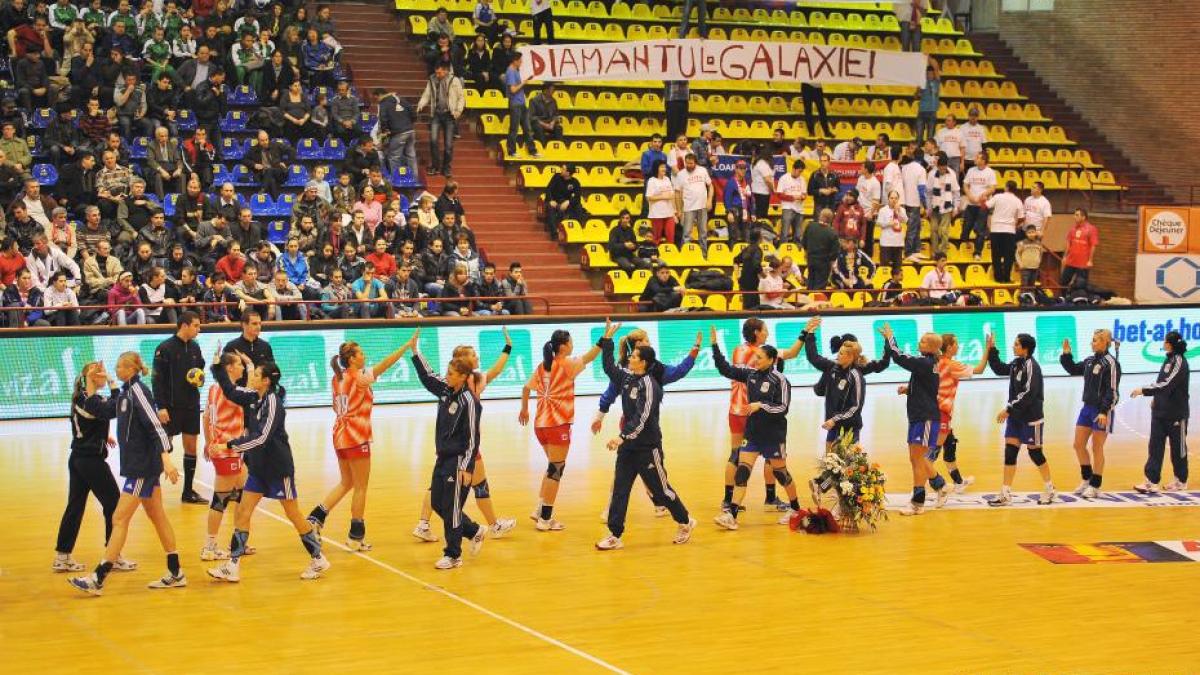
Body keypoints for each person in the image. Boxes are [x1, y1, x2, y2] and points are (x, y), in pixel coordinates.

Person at [69, 352, 184, 595]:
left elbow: (155, 426)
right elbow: (99, 409)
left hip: (142, 467)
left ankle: (98, 578)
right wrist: (92, 381)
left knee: (119, 519)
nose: (116, 370)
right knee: (157, 516)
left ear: (130, 368)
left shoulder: (139, 391)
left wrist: (166, 458)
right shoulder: (124, 394)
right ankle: (175, 572)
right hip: (139, 466)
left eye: (120, 366)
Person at [207, 361, 331, 583]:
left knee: (293, 515)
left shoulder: (273, 403)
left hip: (278, 468)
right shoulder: (255, 396)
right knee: (244, 512)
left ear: (266, 381)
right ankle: (232, 566)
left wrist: (228, 445)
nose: (250, 376)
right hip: (259, 468)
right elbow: (231, 391)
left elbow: (261, 438)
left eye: (255, 374)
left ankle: (318, 557)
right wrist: (218, 368)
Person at [596, 319, 696, 550]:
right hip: (629, 447)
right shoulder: (628, 377)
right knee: (621, 489)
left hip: (647, 447)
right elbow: (609, 368)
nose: (629, 358)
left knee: (661, 491)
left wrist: (622, 436)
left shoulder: (650, 385)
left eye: (634, 357)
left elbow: (642, 417)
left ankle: (684, 521)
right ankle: (614, 534)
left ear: (643, 363)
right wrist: (607, 340)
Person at [306, 338, 414, 551]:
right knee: (360, 486)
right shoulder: (359, 377)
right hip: (356, 436)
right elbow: (385, 364)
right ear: (352, 359)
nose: (364, 356)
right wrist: (406, 346)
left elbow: (334, 406)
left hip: (339, 434)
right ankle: (356, 536)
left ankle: (316, 517)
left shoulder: (337, 378)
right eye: (361, 353)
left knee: (347, 482)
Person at [413, 336, 515, 542]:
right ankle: (489, 527)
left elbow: (428, 376)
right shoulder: (472, 382)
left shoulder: (449, 384)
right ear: (466, 363)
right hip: (465, 446)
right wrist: (508, 348)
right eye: (473, 354)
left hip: (447, 444)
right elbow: (496, 371)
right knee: (478, 486)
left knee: (439, 487)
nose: (477, 357)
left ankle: (423, 523)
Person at [710, 326, 803, 529]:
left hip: (773, 433)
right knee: (742, 471)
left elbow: (783, 408)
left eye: (760, 357)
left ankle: (796, 508)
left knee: (781, 473)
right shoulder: (750, 375)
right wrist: (715, 346)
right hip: (752, 432)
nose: (755, 360)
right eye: (756, 357)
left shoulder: (781, 380)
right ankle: (732, 515)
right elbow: (726, 369)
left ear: (771, 360)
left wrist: (761, 406)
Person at [411, 333, 489, 569]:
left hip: (458, 461)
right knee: (438, 504)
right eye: (447, 373)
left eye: (451, 375)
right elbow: (428, 376)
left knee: (453, 508)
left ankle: (453, 554)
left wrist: (467, 467)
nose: (446, 377)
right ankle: (475, 530)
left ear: (463, 377)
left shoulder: (470, 401)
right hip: (442, 458)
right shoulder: (446, 391)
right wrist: (416, 352)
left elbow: (473, 438)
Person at [519, 328, 603, 531]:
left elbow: (525, 388)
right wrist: (604, 339)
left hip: (541, 426)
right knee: (556, 470)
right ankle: (546, 519)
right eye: (571, 340)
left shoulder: (542, 366)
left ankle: (539, 509)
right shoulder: (566, 364)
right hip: (557, 426)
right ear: (563, 346)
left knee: (551, 468)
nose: (573, 343)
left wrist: (524, 410)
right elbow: (590, 357)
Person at [53, 362, 131, 574]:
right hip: (90, 461)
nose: (105, 374)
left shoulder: (91, 398)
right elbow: (113, 409)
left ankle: (62, 556)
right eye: (100, 372)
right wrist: (115, 384)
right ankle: (112, 557)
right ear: (91, 377)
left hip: (81, 458)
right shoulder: (85, 398)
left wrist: (103, 435)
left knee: (75, 507)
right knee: (114, 504)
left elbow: (99, 413)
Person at [880, 323, 953, 516]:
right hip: (919, 416)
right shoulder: (928, 363)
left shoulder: (925, 362)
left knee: (918, 459)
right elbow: (927, 387)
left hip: (925, 417)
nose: (919, 342)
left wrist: (890, 337)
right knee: (915, 458)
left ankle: (918, 502)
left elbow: (899, 357)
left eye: (923, 341)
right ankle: (940, 486)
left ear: (931, 347)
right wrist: (909, 389)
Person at [983, 332, 1055, 507]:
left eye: (1016, 344)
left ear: (1025, 348)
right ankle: (1006, 493)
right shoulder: (1017, 363)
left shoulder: (1033, 367)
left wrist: (1008, 408)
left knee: (1035, 453)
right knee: (1010, 453)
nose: (1013, 346)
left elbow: (1028, 393)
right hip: (1016, 417)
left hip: (1031, 418)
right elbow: (999, 368)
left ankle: (1050, 488)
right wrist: (992, 350)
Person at [199, 349, 256, 561]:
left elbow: (205, 417)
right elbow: (252, 390)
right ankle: (209, 546)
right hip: (227, 452)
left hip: (228, 451)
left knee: (245, 493)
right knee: (220, 500)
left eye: (242, 364)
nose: (241, 367)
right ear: (229, 368)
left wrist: (207, 442)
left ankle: (239, 542)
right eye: (238, 364)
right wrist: (250, 365)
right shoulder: (229, 391)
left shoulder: (214, 388)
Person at [152, 311, 205, 504]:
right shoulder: (164, 348)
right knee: (163, 447)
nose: (199, 329)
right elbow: (156, 380)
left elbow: (199, 371)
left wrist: (201, 377)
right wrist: (161, 406)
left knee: (191, 447)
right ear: (184, 325)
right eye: (196, 326)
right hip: (171, 408)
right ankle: (151, 489)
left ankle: (188, 492)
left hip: (191, 405)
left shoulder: (195, 348)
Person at [1060, 331, 1120, 499]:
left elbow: (1113, 391)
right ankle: (1087, 478)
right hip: (1087, 408)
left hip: (1102, 410)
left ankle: (1095, 485)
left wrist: (1103, 411)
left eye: (1094, 341)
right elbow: (1072, 369)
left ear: (1105, 342)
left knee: (1096, 447)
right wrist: (1066, 354)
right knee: (1078, 445)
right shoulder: (1089, 361)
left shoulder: (1111, 363)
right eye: (1092, 340)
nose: (1091, 343)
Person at [1132, 330, 1190, 493]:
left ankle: (1181, 480)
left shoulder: (1179, 361)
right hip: (1159, 412)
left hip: (1176, 414)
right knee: (1155, 447)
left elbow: (1167, 384)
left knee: (1178, 449)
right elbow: (1161, 383)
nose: (1163, 342)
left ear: (1170, 344)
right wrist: (1156, 399)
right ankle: (1151, 481)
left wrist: (1144, 390)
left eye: (1165, 341)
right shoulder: (1168, 360)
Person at [417, 62, 464, 177]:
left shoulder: (455, 80)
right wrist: (421, 104)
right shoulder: (432, 79)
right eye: (436, 72)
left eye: (439, 72)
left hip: (449, 115)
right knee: (433, 141)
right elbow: (426, 94)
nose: (437, 75)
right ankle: (435, 166)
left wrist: (458, 110)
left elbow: (461, 97)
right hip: (436, 114)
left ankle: (446, 168)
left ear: (446, 71)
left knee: (448, 145)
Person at [986, 180, 1024, 283]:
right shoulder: (1018, 200)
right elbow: (1021, 218)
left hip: (996, 229)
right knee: (1009, 256)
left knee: (996, 255)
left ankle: (998, 278)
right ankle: (1006, 278)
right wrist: (1014, 224)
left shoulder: (998, 197)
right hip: (1009, 230)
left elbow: (986, 206)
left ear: (1006, 187)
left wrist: (982, 198)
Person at [961, 152, 997, 259]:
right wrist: (970, 196)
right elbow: (965, 185)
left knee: (980, 230)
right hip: (971, 204)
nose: (975, 159)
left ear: (983, 160)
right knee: (966, 227)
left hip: (982, 205)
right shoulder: (971, 170)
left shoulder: (990, 172)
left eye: (978, 157)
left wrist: (984, 195)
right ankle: (964, 241)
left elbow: (992, 188)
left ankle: (977, 252)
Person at [674, 152, 712, 249]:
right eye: (687, 163)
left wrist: (709, 200)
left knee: (703, 233)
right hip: (688, 208)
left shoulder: (702, 170)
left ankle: (704, 256)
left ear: (696, 162)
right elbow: (677, 192)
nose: (689, 165)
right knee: (686, 234)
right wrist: (679, 210)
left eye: (691, 163)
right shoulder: (681, 174)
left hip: (703, 207)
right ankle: (685, 255)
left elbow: (711, 186)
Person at [223, 310, 275, 378]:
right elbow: (222, 372)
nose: (258, 327)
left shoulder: (265, 346)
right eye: (254, 324)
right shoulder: (231, 346)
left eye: (260, 323)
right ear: (244, 325)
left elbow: (273, 370)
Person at [504, 53, 536, 158]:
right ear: (515, 61)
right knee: (514, 129)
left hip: (521, 103)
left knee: (527, 128)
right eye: (520, 60)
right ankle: (511, 151)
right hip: (515, 104)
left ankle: (532, 150)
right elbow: (513, 90)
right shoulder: (510, 72)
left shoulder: (516, 71)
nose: (521, 62)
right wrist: (524, 82)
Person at [927, 155, 958, 258]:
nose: (943, 170)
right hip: (935, 206)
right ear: (937, 166)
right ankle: (935, 253)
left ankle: (942, 253)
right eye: (941, 168)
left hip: (947, 206)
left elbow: (956, 192)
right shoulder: (932, 175)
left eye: (944, 168)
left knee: (944, 231)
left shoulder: (952, 174)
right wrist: (928, 207)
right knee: (934, 230)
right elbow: (929, 193)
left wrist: (956, 207)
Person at [800, 208, 839, 290]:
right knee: (820, 287)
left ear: (821, 216)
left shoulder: (810, 226)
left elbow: (804, 242)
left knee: (810, 283)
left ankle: (810, 300)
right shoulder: (832, 233)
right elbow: (834, 253)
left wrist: (807, 254)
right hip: (824, 263)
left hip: (810, 259)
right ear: (831, 219)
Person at [1061, 208, 1098, 291]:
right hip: (1071, 262)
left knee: (1081, 285)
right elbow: (1068, 244)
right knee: (1063, 282)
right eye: (1074, 215)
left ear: (1083, 217)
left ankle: (1079, 301)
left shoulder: (1091, 229)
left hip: (1083, 263)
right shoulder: (1072, 229)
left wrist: (1090, 260)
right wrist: (1064, 257)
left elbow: (1093, 245)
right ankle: (1063, 300)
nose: (1074, 217)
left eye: (1077, 215)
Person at [645, 160, 676, 245]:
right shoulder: (652, 180)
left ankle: (670, 254)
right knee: (656, 237)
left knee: (670, 236)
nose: (664, 169)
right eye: (662, 167)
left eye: (664, 167)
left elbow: (672, 195)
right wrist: (663, 197)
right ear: (656, 168)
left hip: (669, 213)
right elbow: (649, 197)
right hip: (656, 214)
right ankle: (655, 254)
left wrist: (674, 212)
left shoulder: (667, 179)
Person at [776, 160, 807, 244]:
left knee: (798, 233)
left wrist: (803, 197)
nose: (800, 173)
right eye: (799, 171)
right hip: (787, 207)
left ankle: (796, 250)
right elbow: (779, 195)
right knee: (785, 232)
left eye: (801, 171)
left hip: (799, 209)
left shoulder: (802, 179)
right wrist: (793, 197)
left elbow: (804, 193)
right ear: (793, 169)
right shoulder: (784, 178)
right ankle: (783, 248)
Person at [876, 190, 906, 272]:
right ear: (888, 199)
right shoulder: (883, 210)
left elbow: (905, 220)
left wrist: (899, 211)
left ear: (898, 199)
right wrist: (888, 224)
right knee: (884, 268)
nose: (894, 200)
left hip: (898, 243)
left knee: (897, 269)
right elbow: (879, 223)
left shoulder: (902, 209)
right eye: (891, 198)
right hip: (886, 243)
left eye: (896, 198)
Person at [528, 81, 562, 146]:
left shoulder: (553, 101)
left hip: (550, 123)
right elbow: (532, 117)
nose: (553, 92)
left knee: (559, 128)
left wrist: (552, 123)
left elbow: (556, 115)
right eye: (552, 90)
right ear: (545, 90)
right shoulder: (534, 100)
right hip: (539, 123)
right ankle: (543, 147)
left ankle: (558, 148)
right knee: (538, 128)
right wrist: (544, 125)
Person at [915, 63, 940, 143]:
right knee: (918, 137)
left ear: (934, 74)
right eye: (927, 73)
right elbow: (916, 97)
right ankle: (918, 154)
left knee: (930, 137)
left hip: (932, 112)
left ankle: (929, 154)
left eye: (931, 73)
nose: (929, 75)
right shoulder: (922, 83)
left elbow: (936, 67)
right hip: (921, 112)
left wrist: (928, 58)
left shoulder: (937, 82)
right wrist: (918, 92)